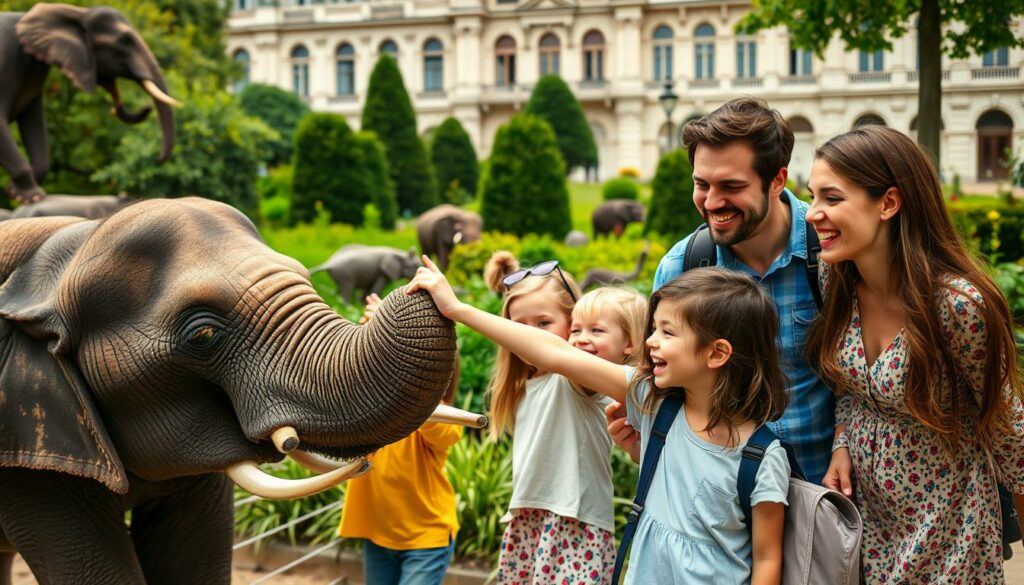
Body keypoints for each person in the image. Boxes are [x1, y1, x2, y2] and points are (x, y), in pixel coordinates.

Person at [409, 260, 792, 585]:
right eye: (653, 328)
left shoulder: (762, 456)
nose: (651, 342)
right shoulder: (654, 402)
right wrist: (458, 310)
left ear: (716, 353)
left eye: (666, 332)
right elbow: (554, 354)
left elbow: (766, 559)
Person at [805, 125, 1024, 583]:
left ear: (888, 202)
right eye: (812, 196)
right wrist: (842, 441)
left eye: (831, 198)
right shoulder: (836, 282)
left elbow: (1010, 433)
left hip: (950, 528)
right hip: (870, 525)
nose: (813, 214)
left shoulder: (956, 307)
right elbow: (850, 388)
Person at [608, 96, 835, 485]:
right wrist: (644, 438)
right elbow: (666, 389)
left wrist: (846, 442)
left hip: (824, 494)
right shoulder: (683, 267)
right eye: (701, 185)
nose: (712, 203)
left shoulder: (832, 253)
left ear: (778, 180)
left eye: (731, 186)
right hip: (725, 507)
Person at [476, 252, 644, 584]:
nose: (531, 335)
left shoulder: (575, 378)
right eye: (518, 327)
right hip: (528, 520)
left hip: (575, 521)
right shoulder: (526, 384)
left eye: (543, 323)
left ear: (572, 323)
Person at [339, 294, 462, 585]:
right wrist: (374, 337)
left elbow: (441, 430)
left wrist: (401, 340)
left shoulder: (442, 415)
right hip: (378, 536)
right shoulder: (367, 409)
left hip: (426, 540)